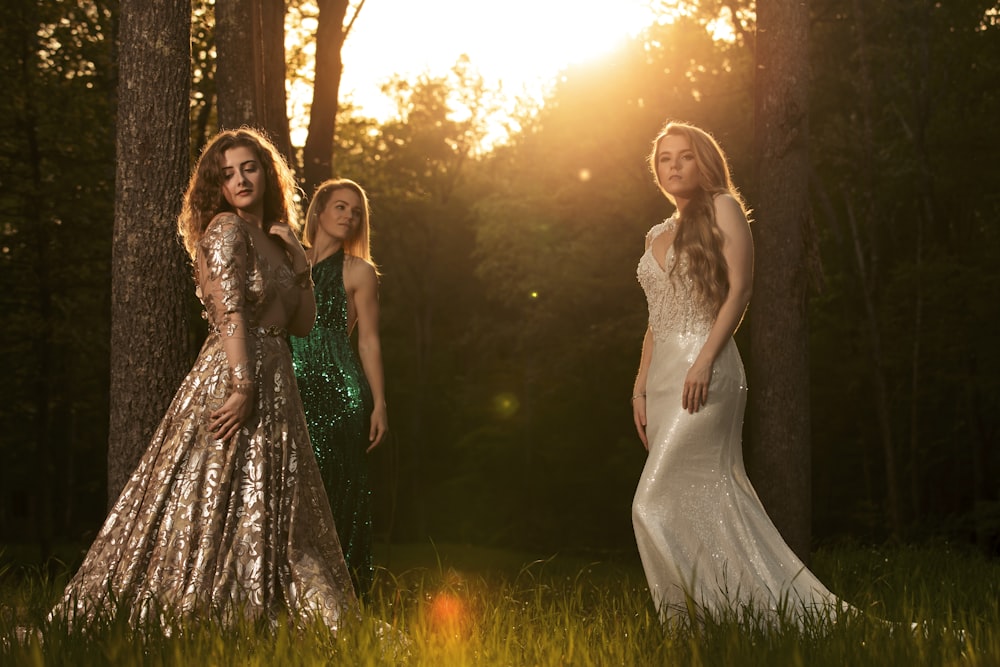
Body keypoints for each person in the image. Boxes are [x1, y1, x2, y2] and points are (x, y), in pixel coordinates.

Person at [51, 128, 357, 630]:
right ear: (216, 184)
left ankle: (264, 594)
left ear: (266, 172)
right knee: (216, 491)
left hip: (278, 375)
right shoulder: (225, 231)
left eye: (249, 168)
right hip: (236, 371)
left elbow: (300, 325)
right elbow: (230, 310)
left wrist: (301, 265)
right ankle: (209, 600)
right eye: (228, 173)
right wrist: (242, 386)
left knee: (272, 497)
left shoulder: (278, 240)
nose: (239, 179)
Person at [630, 120, 844, 624]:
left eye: (685, 156)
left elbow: (740, 291)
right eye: (665, 158)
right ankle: (715, 618)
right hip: (661, 380)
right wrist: (639, 387)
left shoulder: (723, 207)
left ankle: (707, 616)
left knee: (650, 502)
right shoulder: (657, 233)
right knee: (692, 498)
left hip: (707, 372)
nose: (675, 165)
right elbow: (654, 320)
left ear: (703, 161)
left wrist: (704, 360)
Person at [290, 178, 388, 600]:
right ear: (319, 212)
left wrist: (379, 403)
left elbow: (368, 340)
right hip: (288, 384)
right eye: (341, 207)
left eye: (356, 212)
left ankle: (341, 597)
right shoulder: (286, 258)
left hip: (339, 388)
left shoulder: (359, 271)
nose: (349, 217)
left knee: (335, 489)